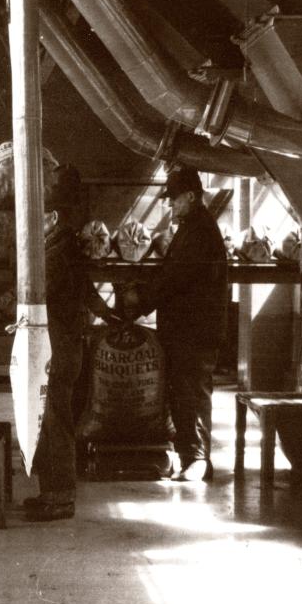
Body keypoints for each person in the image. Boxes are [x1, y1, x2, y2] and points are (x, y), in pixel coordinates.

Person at [0, 164, 117, 521]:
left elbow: (27, 291)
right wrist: (112, 315)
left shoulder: (55, 252)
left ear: (49, 216)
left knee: (53, 422)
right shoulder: (62, 246)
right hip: (61, 343)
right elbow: (89, 294)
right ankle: (52, 492)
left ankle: (60, 497)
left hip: (58, 347)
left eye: (34, 217)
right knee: (49, 419)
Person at [123, 166, 228, 482]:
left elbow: (173, 280)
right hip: (187, 328)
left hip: (195, 331)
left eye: (174, 200)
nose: (170, 206)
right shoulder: (192, 226)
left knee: (192, 393)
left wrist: (137, 301)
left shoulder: (199, 232)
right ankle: (189, 455)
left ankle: (198, 460)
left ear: (191, 197)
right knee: (184, 392)